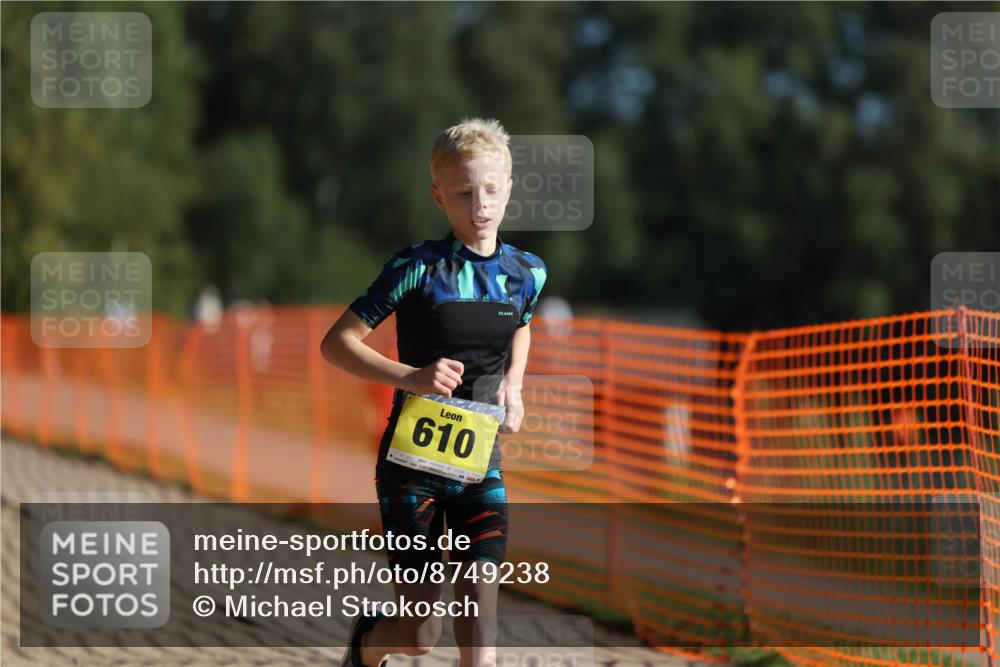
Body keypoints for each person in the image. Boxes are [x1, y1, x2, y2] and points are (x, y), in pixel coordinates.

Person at [320, 118, 547, 667]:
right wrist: (410, 378)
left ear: (510, 187)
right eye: (464, 193)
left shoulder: (528, 272)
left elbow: (522, 323)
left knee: (481, 650)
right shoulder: (416, 268)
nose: (480, 205)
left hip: (480, 467)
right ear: (438, 196)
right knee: (421, 637)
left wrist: (514, 386)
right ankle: (367, 644)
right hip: (411, 467)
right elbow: (336, 344)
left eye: (491, 190)